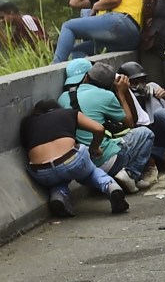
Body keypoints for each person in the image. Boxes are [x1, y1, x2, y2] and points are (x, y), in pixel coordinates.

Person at [57, 59, 155, 194]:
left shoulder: (62, 98)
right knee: (145, 133)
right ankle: (131, 174)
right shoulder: (106, 96)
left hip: (80, 165)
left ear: (86, 77)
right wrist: (121, 93)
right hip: (106, 160)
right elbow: (130, 123)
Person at [21, 99, 129, 217]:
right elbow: (99, 129)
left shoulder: (27, 123)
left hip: (42, 172)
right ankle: (110, 187)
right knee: (90, 171)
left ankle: (58, 196)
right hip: (71, 162)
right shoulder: (68, 113)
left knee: (57, 178)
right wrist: (94, 148)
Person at [117, 60, 165, 163]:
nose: (140, 85)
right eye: (135, 82)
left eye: (142, 80)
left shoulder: (153, 88)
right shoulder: (122, 98)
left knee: (161, 113)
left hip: (161, 133)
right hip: (148, 142)